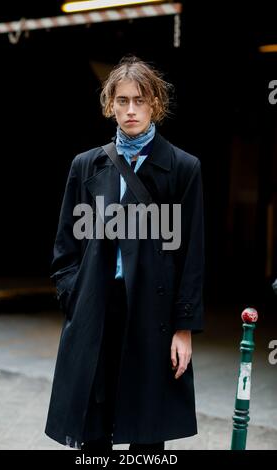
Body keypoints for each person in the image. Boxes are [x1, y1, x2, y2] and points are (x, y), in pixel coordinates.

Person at [45, 56, 205, 452]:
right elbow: (66, 247)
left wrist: (183, 329)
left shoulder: (183, 168)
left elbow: (191, 255)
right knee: (92, 432)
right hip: (97, 310)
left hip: (153, 316)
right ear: (109, 104)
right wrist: (75, 297)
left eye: (139, 100)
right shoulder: (86, 166)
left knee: (146, 435)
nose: (130, 110)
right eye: (121, 101)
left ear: (155, 104)